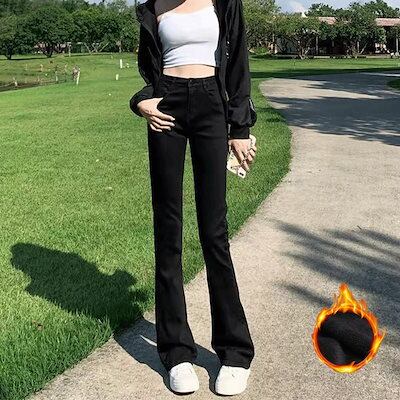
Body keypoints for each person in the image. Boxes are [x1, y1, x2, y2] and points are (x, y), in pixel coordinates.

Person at [130, 0, 257, 395]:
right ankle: (176, 352)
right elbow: (149, 67)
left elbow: (238, 61)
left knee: (214, 232)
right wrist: (141, 100)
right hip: (166, 108)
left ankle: (235, 352)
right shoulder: (151, 7)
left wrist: (240, 127)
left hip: (212, 103)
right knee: (167, 229)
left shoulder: (224, 2)